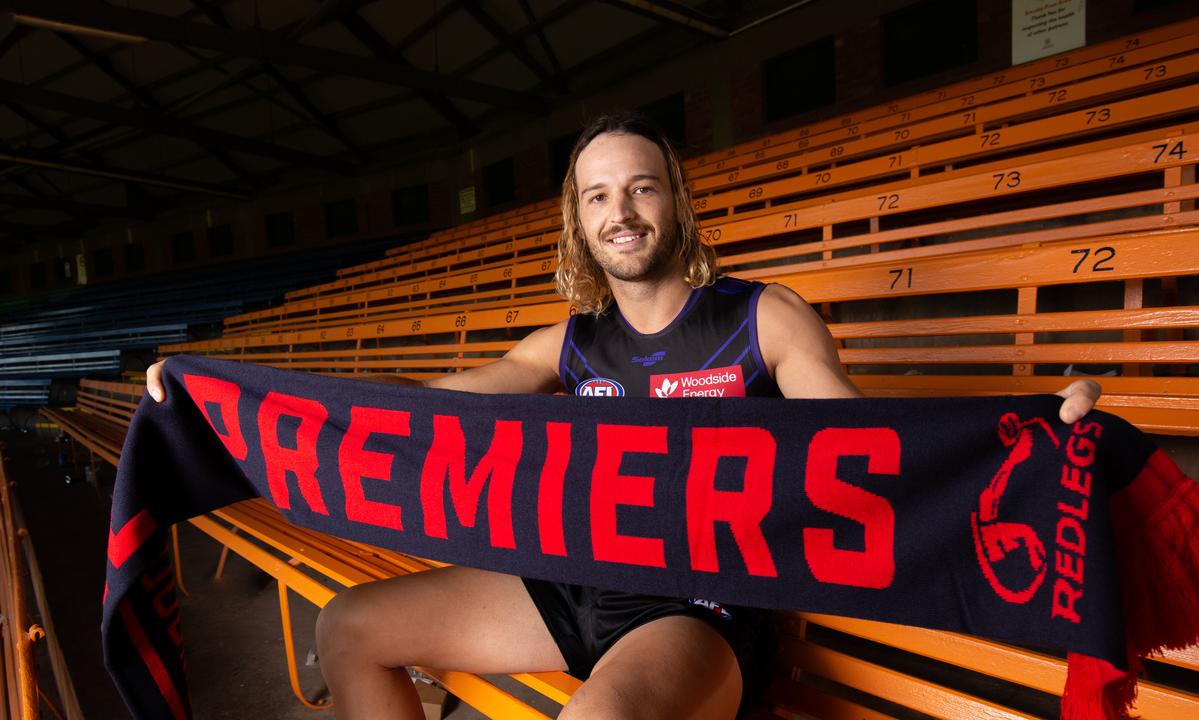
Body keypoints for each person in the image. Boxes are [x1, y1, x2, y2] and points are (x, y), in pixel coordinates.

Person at [146, 112, 1100, 719]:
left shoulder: (762, 318)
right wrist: (216, 396)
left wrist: (1029, 435)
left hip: (704, 608)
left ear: (675, 203)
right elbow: (425, 406)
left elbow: (865, 445)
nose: (622, 210)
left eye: (641, 186)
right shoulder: (568, 343)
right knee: (348, 627)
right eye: (599, 194)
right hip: (569, 585)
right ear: (579, 220)